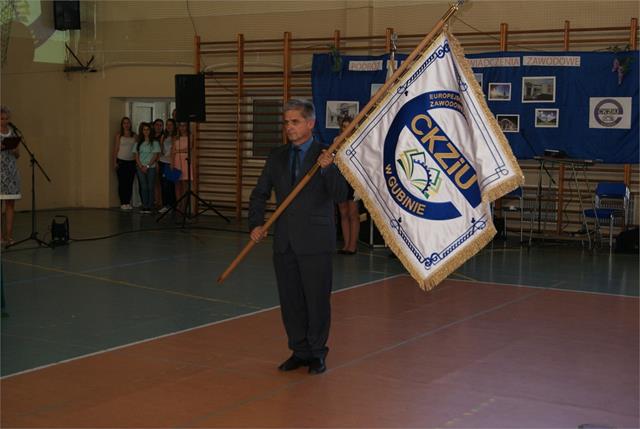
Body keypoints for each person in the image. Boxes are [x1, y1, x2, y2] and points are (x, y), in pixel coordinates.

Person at [249, 99, 347, 375]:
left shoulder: (326, 154)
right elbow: (260, 192)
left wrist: (328, 168)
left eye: (295, 122)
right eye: (287, 122)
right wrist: (256, 224)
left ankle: (317, 352)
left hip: (315, 240)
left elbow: (341, 194)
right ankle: (299, 350)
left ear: (310, 123)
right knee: (290, 301)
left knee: (316, 300)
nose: (289, 127)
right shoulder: (277, 156)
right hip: (285, 241)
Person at [334, 116, 360, 255]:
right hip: (340, 179)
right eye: (344, 126)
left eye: (349, 126)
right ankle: (346, 245)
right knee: (343, 213)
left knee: (353, 213)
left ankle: (353, 245)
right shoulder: (336, 141)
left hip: (353, 180)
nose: (346, 129)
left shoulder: (359, 141)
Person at [0, 105, 21, 246]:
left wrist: (14, 151)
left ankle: (9, 236)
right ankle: (0, 237)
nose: (4, 121)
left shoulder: (13, 133)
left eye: (7, 118)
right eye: (2, 118)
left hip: (11, 172)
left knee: (10, 205)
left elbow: (18, 155)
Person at [132, 123, 161, 214]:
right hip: (140, 167)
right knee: (143, 187)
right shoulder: (138, 143)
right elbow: (136, 156)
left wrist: (147, 166)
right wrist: (141, 166)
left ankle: (150, 205)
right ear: (142, 131)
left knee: (150, 186)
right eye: (144, 129)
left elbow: (155, 156)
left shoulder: (155, 143)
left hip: (151, 167)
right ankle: (144, 205)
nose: (146, 131)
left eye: (147, 129)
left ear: (150, 131)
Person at [113, 116, 137, 210]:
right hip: (121, 161)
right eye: (124, 123)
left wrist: (136, 161)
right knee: (122, 183)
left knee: (129, 183)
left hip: (131, 162)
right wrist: (114, 162)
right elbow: (116, 149)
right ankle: (123, 202)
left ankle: (128, 202)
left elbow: (136, 149)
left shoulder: (134, 135)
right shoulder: (119, 135)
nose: (126, 125)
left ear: (130, 124)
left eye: (128, 123)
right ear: (122, 125)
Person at [171, 121, 193, 213]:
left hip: (185, 161)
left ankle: (184, 206)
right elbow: (172, 151)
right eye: (181, 126)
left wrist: (178, 151)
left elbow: (189, 148)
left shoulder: (190, 136)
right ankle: (178, 204)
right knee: (177, 184)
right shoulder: (175, 137)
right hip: (177, 161)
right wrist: (172, 163)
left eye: (184, 126)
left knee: (184, 184)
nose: (182, 128)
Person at [158, 119, 177, 214]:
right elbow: (161, 149)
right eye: (167, 124)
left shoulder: (175, 136)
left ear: (174, 126)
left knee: (170, 185)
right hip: (163, 161)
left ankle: (172, 205)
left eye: (171, 125)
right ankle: (165, 205)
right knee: (164, 184)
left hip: (171, 162)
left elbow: (174, 149)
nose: (169, 126)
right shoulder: (164, 136)